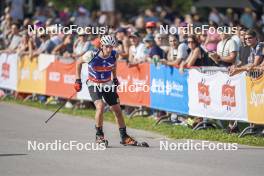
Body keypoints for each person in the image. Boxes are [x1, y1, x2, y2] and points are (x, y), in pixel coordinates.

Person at [74, 35, 145, 147]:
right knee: (100, 106)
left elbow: (113, 65)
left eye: (112, 47)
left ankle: (124, 137)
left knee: (117, 110)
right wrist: (77, 80)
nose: (109, 49)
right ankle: (99, 136)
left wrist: (115, 77)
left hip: (107, 83)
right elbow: (78, 62)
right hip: (94, 84)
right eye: (107, 47)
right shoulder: (91, 55)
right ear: (102, 46)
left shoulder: (113, 54)